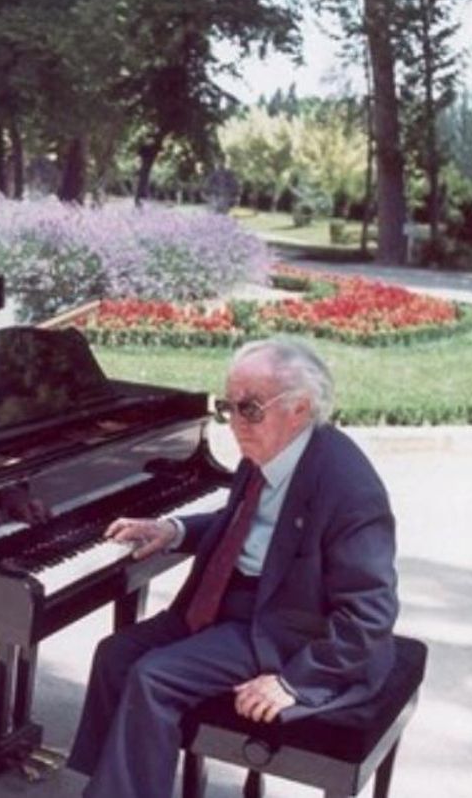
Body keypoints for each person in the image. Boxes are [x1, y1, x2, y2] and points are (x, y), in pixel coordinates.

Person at [66, 336, 399, 798]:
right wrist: (174, 529)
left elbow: (371, 615)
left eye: (250, 408)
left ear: (299, 408)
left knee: (154, 676)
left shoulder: (349, 488)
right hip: (230, 600)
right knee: (115, 655)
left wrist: (294, 682)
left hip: (285, 627)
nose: (236, 422)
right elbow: (243, 526)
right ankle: (103, 786)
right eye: (229, 407)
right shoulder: (267, 452)